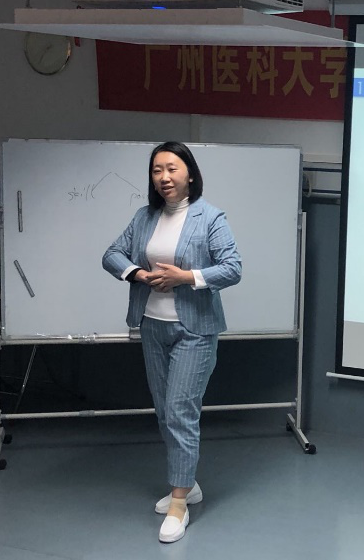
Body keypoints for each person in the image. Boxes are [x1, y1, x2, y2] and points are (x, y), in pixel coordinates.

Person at [102, 142, 242, 543]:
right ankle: (189, 484)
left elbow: (232, 268)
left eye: (172, 168)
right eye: (157, 170)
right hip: (152, 326)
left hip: (195, 330)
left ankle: (179, 502)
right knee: (165, 411)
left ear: (190, 174)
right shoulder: (144, 217)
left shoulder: (210, 217)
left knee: (180, 411)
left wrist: (186, 277)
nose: (164, 177)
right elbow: (112, 254)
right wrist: (137, 273)